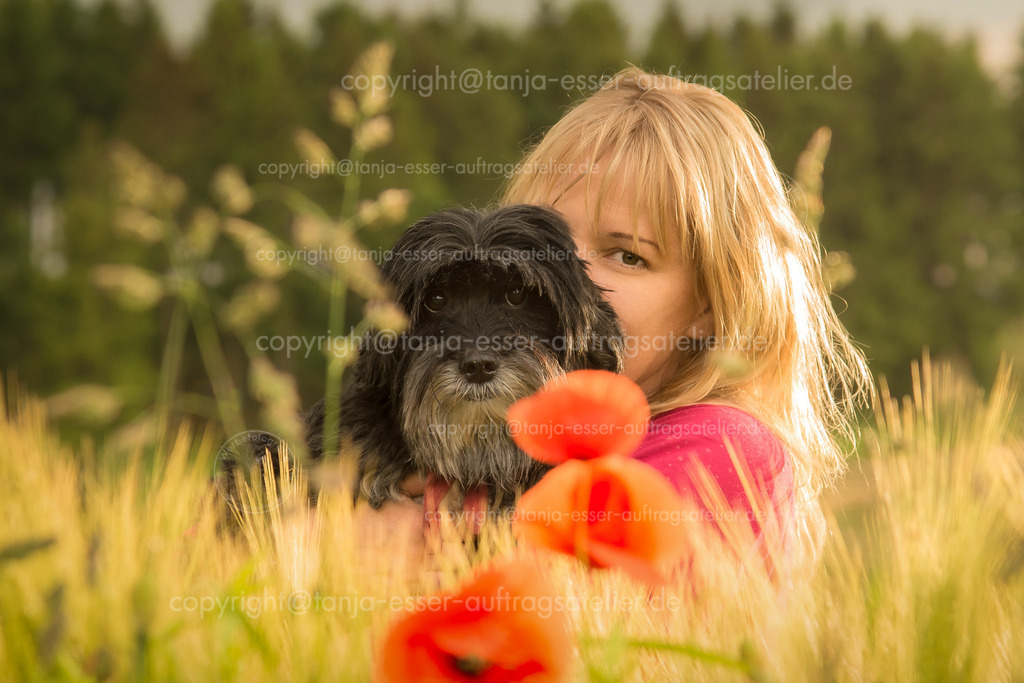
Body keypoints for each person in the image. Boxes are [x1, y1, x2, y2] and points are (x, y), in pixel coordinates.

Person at [358, 67, 870, 568]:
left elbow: (557, 599)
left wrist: (376, 535)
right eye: (544, 244)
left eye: (627, 256)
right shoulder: (501, 448)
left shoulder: (720, 447)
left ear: (710, 307)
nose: (569, 278)